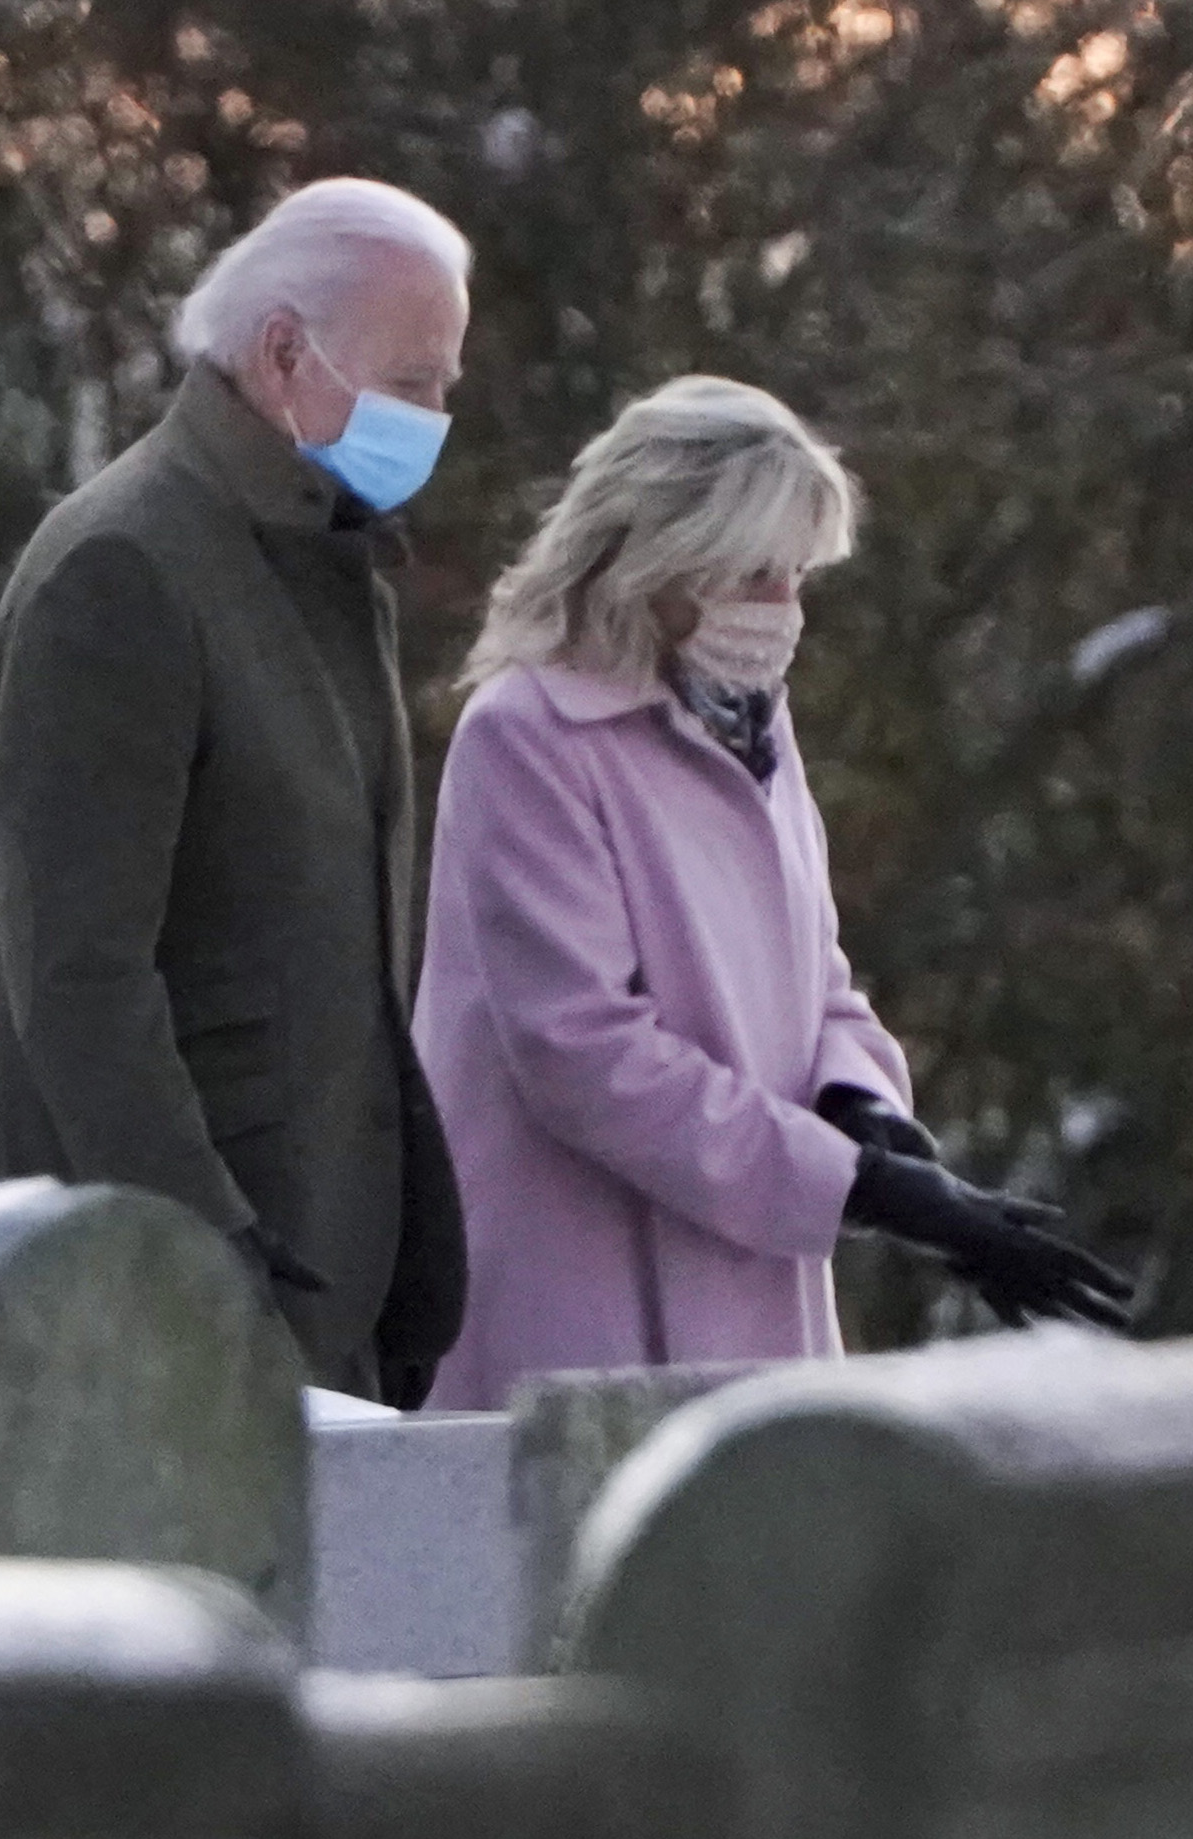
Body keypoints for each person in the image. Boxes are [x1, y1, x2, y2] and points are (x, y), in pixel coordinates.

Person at [412, 375, 1129, 1410]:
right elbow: (582, 1053)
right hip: (585, 1286)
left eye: (796, 576)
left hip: (751, 1286)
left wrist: (860, 1102)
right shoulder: (528, 736)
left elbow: (816, 977)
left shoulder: (749, 728)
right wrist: (859, 1187)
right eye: (754, 574)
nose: (783, 610)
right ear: (655, 556)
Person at [0, 177, 469, 1405]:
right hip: (162, 1309)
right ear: (285, 351)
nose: (438, 419)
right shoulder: (125, 568)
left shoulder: (310, 566)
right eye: (415, 382)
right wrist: (211, 1260)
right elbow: (80, 976)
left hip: (308, 1287)